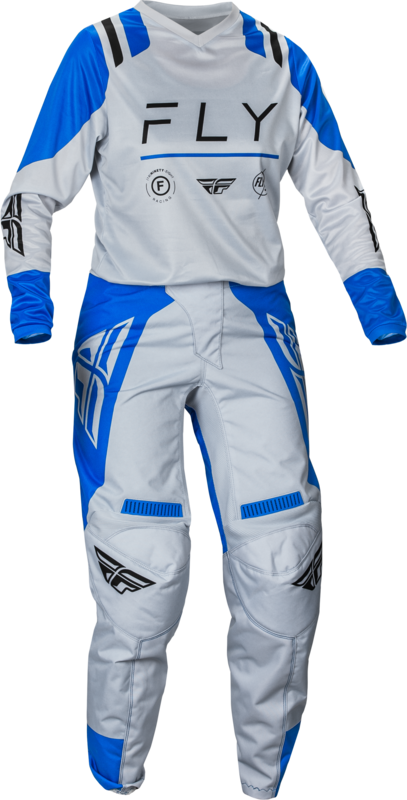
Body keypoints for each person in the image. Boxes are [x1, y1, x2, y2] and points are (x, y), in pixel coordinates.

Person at [1, 2, 406, 798]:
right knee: (140, 571)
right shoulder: (103, 49)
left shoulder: (282, 58)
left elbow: (332, 184)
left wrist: (374, 297)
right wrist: (28, 299)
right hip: (128, 328)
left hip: (256, 323)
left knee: (284, 562)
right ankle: (115, 777)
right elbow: (33, 185)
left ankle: (263, 782)